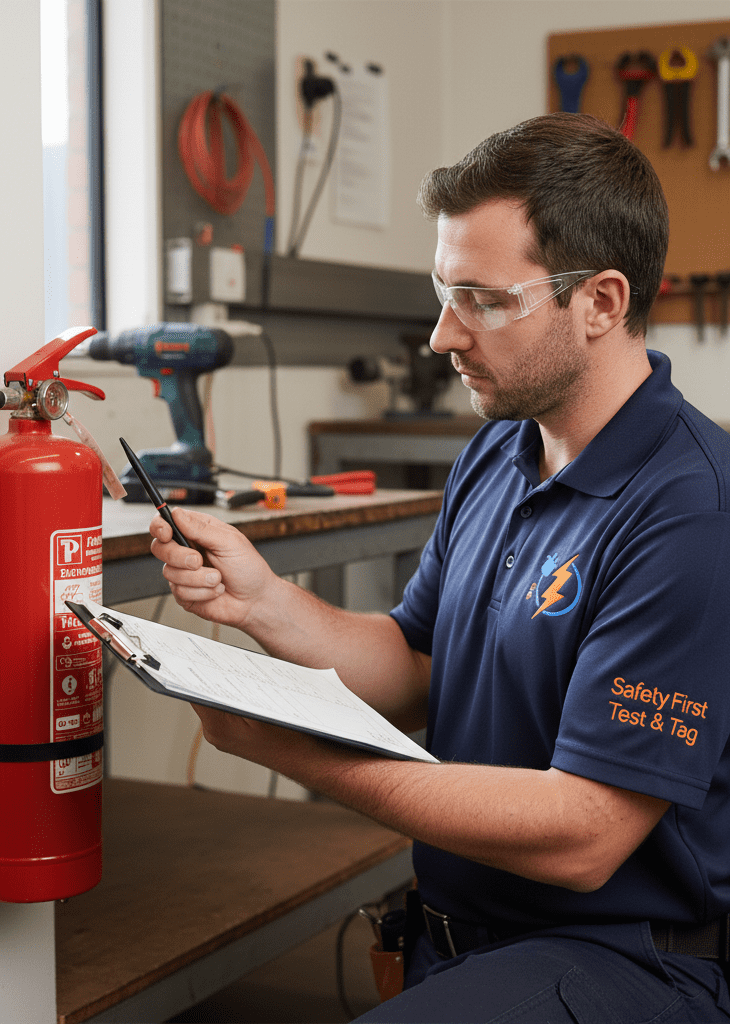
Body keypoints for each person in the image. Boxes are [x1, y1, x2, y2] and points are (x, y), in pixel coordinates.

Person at [149, 113, 730, 1022]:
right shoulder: (498, 455)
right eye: (441, 291)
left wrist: (303, 754)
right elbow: (418, 671)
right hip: (458, 940)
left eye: (484, 300)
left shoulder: (690, 508)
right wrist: (264, 602)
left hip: (623, 961)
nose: (441, 336)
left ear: (602, 303)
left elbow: (585, 835)